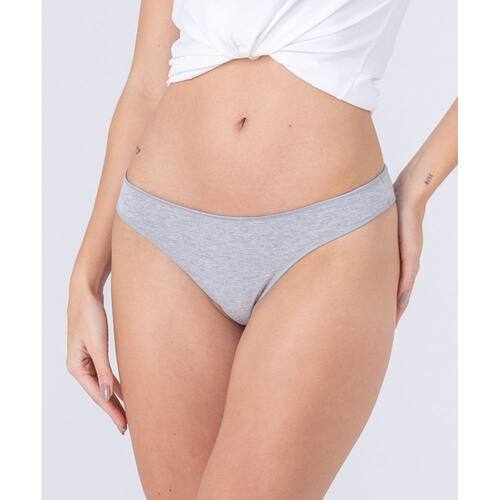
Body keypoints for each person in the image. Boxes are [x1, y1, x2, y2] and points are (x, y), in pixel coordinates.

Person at [67, 1, 458, 498]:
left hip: (325, 242)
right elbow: (146, 82)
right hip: (161, 239)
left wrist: (418, 188)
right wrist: (86, 279)